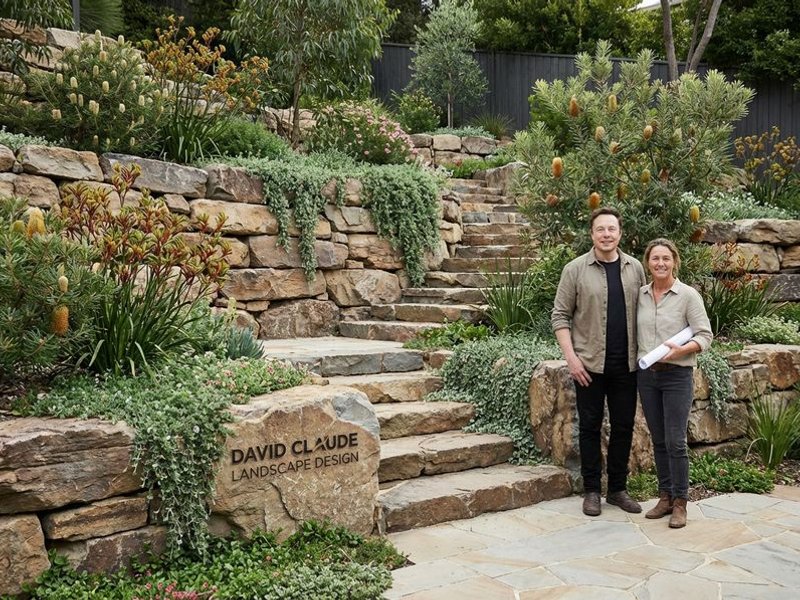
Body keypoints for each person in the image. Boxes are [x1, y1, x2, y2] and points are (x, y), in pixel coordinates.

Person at [552, 207, 646, 516]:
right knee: (590, 427)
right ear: (592, 234)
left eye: (611, 229)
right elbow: (560, 316)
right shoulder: (575, 270)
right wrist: (572, 359)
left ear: (620, 233)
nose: (606, 234)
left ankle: (617, 489)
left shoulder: (635, 269)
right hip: (589, 366)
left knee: (623, 427)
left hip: (626, 365)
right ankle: (591, 490)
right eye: (600, 229)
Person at [637, 238, 712, 529]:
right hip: (647, 376)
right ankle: (665, 496)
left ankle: (681, 502)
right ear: (648, 263)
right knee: (658, 439)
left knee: (675, 441)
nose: (660, 263)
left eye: (666, 258)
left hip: (677, 375)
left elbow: (705, 335)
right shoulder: (641, 295)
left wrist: (682, 350)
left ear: (674, 262)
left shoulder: (688, 296)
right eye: (655, 258)